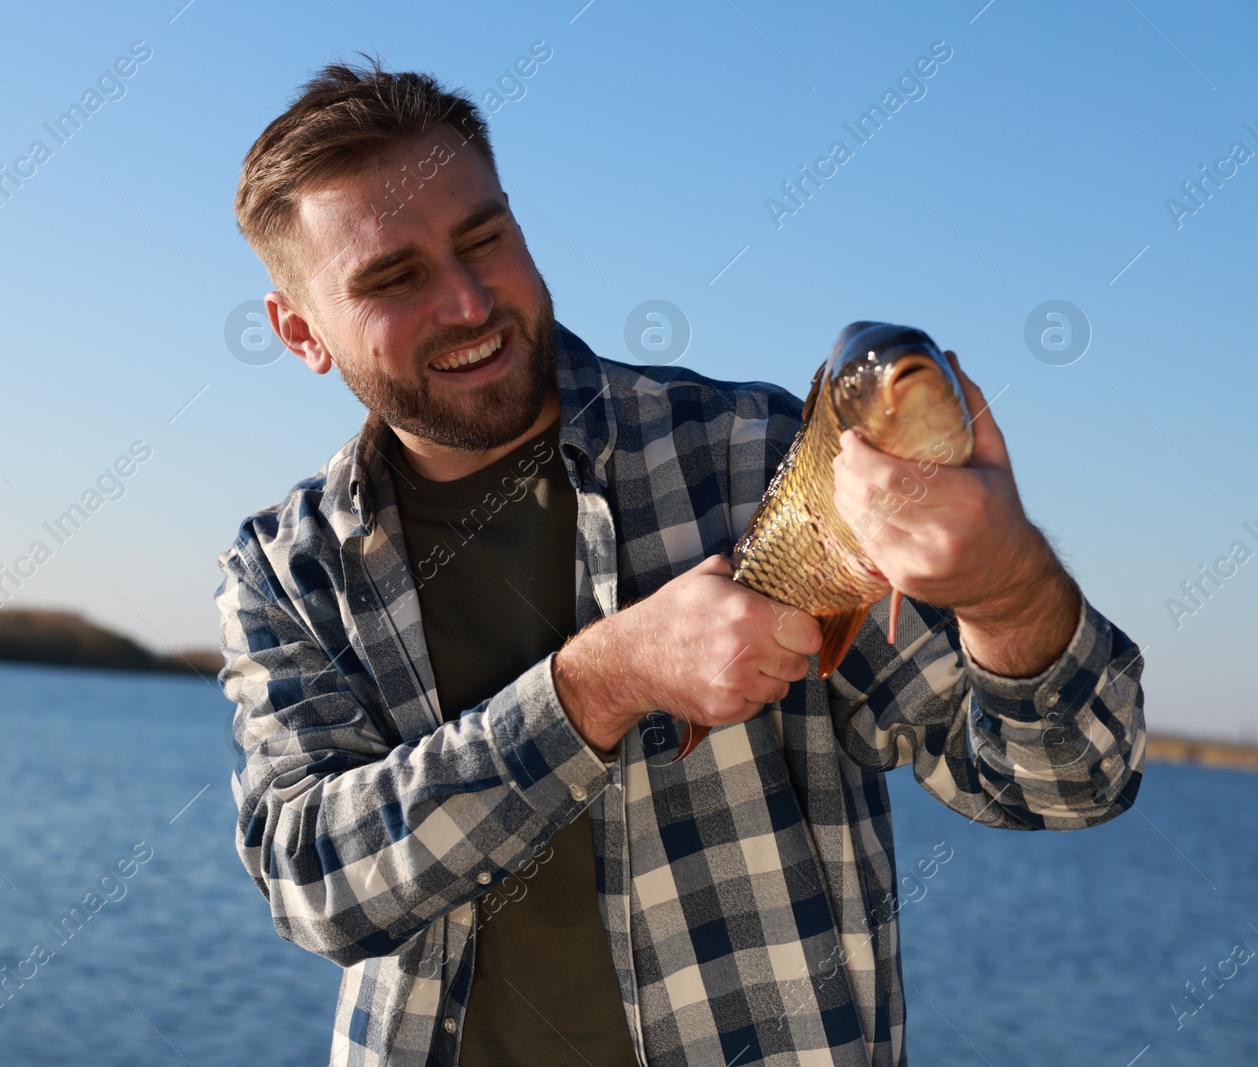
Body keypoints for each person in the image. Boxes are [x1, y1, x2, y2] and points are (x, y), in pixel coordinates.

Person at [215, 57, 1145, 1067]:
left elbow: (1071, 784)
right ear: (299, 330)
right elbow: (313, 884)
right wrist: (600, 682)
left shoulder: (759, 459)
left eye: (485, 238)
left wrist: (1007, 590)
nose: (470, 300)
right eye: (395, 277)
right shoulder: (286, 566)